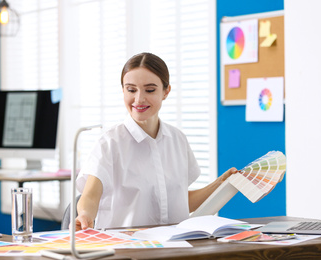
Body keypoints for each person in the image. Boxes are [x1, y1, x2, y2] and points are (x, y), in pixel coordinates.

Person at [74, 52, 237, 230]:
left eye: (149, 90)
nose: (139, 99)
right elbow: (90, 196)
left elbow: (181, 202)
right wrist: (84, 215)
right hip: (126, 248)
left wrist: (220, 184)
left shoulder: (177, 140)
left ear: (166, 91)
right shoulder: (109, 143)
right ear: (123, 90)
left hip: (173, 247)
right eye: (131, 90)